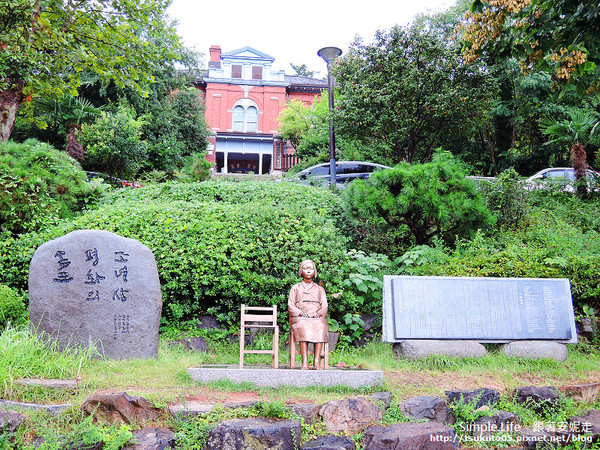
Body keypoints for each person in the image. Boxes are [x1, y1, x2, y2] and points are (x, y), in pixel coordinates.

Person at [288, 259, 328, 370]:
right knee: (303, 325)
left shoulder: (320, 289)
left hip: (316, 317)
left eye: (311, 268)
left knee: (320, 325)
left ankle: (316, 361)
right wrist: (300, 313)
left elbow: (324, 306)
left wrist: (317, 313)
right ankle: (304, 361)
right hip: (300, 317)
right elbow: (290, 305)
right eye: (305, 268)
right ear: (301, 271)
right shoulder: (295, 288)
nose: (308, 271)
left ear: (314, 271)